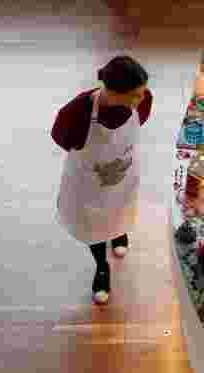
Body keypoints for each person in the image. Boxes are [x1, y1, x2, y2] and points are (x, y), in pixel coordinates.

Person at [52, 56, 152, 304]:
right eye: (135, 95)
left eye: (142, 92)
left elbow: (141, 118)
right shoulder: (76, 112)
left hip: (124, 174)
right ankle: (101, 266)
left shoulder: (143, 99)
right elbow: (62, 139)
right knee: (94, 224)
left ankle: (119, 233)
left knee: (121, 208)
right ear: (113, 92)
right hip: (90, 184)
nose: (143, 99)